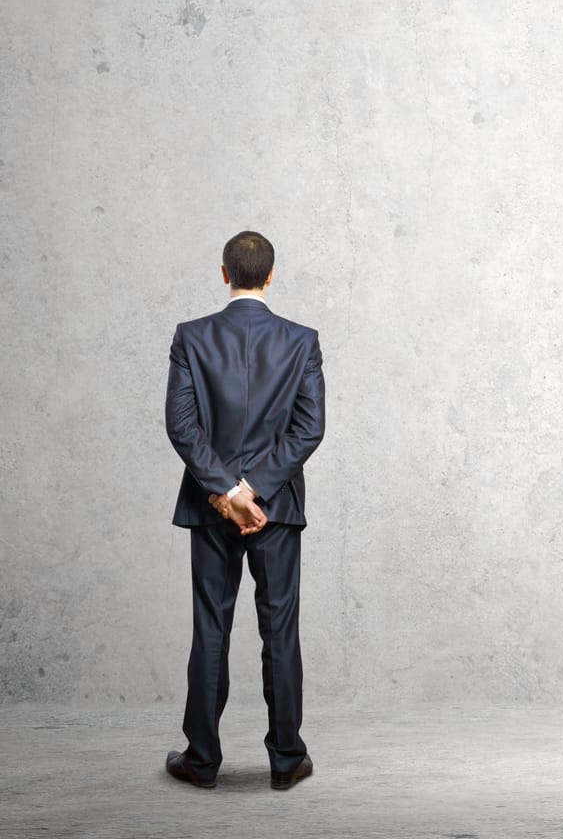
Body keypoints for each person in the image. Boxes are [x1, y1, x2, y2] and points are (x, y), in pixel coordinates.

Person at [162, 231, 325, 791]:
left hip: (211, 508)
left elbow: (182, 427)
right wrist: (254, 489)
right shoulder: (301, 341)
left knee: (211, 626)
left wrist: (227, 491)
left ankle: (201, 761)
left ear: (224, 272)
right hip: (276, 508)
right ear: (271, 275)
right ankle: (287, 761)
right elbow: (310, 428)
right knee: (279, 628)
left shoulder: (192, 337)